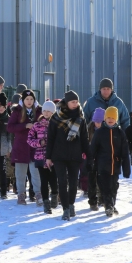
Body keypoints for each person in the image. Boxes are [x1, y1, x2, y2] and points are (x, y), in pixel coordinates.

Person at [46, 91, 89, 221]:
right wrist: (48, 157)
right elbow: (50, 138)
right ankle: (65, 208)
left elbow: (85, 138)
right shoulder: (55, 117)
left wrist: (88, 154)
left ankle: (71, 205)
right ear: (67, 102)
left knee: (73, 182)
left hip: (75, 155)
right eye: (72, 102)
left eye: (77, 102)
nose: (75, 104)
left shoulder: (81, 118)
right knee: (62, 182)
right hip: (58, 155)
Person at [91, 106, 131, 217]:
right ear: (104, 118)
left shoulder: (120, 133)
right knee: (105, 187)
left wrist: (126, 169)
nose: (110, 119)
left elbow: (124, 152)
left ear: (116, 119)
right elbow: (93, 149)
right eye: (108, 117)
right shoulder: (99, 133)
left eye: (112, 117)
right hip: (102, 165)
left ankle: (111, 204)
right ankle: (108, 206)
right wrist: (89, 162)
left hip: (115, 165)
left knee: (114, 186)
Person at [8, 90, 42, 206]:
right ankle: (21, 194)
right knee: (20, 174)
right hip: (21, 147)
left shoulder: (39, 111)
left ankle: (38, 194)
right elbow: (10, 127)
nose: (29, 101)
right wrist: (25, 126)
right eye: (27, 99)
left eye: (31, 99)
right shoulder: (17, 111)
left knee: (35, 173)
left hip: (35, 147)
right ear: (23, 100)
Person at [27, 100, 58, 214]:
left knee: (53, 180)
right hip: (40, 156)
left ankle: (54, 194)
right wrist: (39, 142)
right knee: (43, 181)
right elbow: (29, 140)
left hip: (54, 157)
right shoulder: (36, 125)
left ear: (53, 112)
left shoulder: (56, 125)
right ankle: (46, 203)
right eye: (44, 110)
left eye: (49, 111)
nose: (46, 113)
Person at [86, 107, 105, 211]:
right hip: (91, 158)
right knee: (92, 180)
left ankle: (102, 198)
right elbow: (86, 142)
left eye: (100, 121)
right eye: (96, 121)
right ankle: (92, 201)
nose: (98, 124)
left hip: (102, 158)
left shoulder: (106, 130)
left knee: (102, 180)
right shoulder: (89, 129)